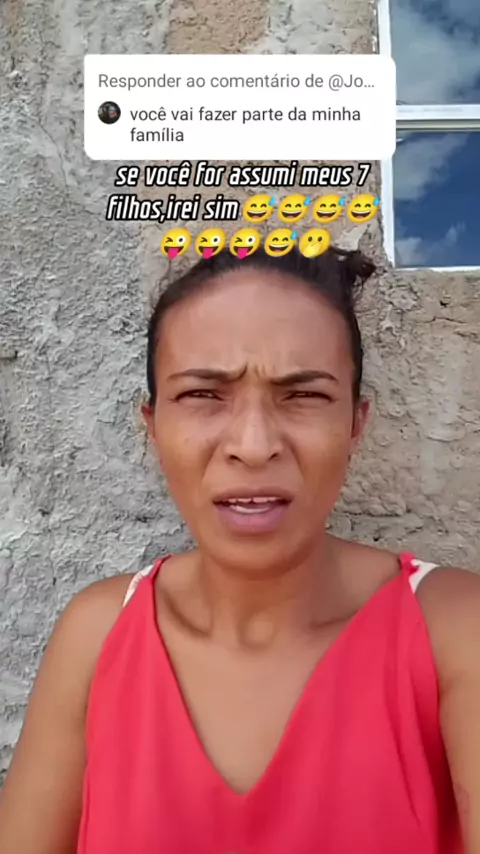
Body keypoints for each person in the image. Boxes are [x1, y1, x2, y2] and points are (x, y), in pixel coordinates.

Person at [0, 245, 478, 854]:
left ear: (356, 425)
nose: (253, 446)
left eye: (303, 396)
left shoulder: (455, 631)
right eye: (204, 395)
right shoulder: (98, 636)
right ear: (153, 425)